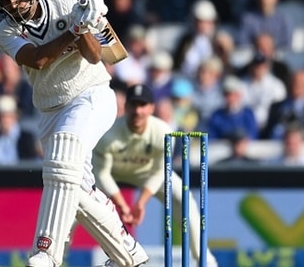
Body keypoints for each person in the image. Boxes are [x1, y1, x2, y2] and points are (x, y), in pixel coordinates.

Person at [0, 0, 148, 267]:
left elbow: (95, 55)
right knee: (73, 185)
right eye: (6, 2)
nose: (14, 6)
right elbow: (38, 60)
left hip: (92, 94)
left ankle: (46, 251)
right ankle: (128, 254)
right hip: (51, 109)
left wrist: (86, 23)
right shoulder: (4, 32)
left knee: (63, 159)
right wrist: (74, 30)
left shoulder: (64, 6)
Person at [92, 84, 219, 267]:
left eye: (143, 105)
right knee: (78, 197)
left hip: (148, 174)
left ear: (152, 108)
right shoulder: (109, 133)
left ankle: (205, 259)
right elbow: (102, 174)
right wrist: (122, 205)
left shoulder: (163, 131)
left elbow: (161, 171)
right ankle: (54, 257)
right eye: (134, 105)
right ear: (126, 107)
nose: (138, 111)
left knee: (183, 197)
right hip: (112, 173)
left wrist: (140, 203)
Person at [0, 95, 42, 165]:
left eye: (8, 116)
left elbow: (30, 163)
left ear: (15, 116)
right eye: (1, 116)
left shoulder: (26, 139)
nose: (4, 120)